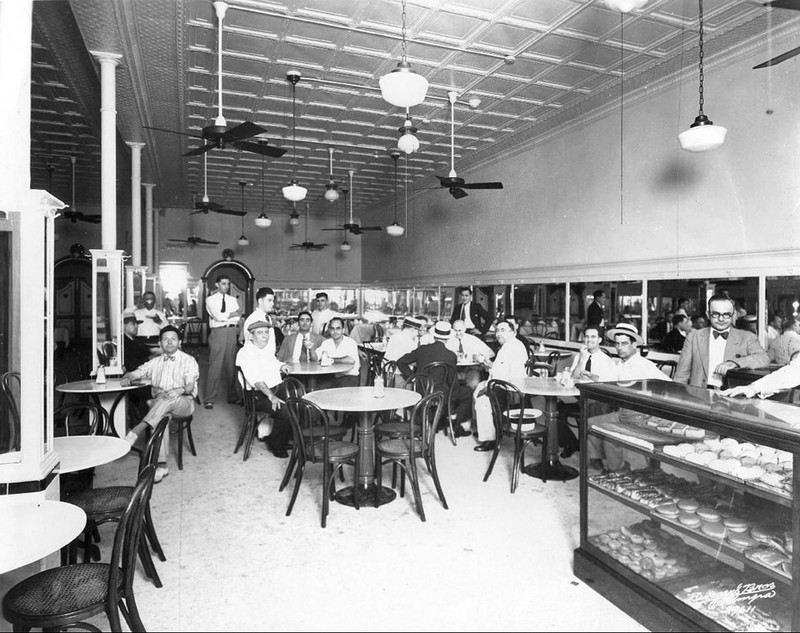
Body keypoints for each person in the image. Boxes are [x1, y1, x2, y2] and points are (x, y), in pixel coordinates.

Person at [121, 326, 199, 483]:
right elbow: (137, 373)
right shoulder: (154, 362)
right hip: (161, 405)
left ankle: (137, 430)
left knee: (165, 399)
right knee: (161, 414)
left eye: (173, 339)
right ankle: (162, 465)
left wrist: (179, 390)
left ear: (180, 342)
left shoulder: (188, 360)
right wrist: (128, 377)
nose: (169, 342)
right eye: (165, 339)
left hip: (184, 402)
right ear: (160, 343)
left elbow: (190, 386)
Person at [590, 322, 670, 472]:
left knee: (610, 431)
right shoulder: (621, 364)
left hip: (640, 416)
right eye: (617, 344)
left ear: (634, 345)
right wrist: (590, 375)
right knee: (591, 422)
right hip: (623, 412)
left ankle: (616, 470)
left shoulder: (644, 365)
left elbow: (670, 386)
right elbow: (607, 379)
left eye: (625, 343)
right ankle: (605, 461)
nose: (620, 347)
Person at [674, 294, 770, 389]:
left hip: (732, 398)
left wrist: (734, 363)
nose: (721, 319)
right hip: (698, 396)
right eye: (715, 314)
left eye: (726, 314)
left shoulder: (747, 337)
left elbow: (764, 358)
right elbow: (681, 375)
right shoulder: (694, 337)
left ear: (733, 315)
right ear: (708, 314)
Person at [396, 321, 472, 437]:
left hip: (422, 392)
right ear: (447, 338)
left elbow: (400, 362)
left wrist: (413, 377)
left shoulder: (422, 350)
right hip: (441, 395)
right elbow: (452, 382)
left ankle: (441, 417)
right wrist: (453, 399)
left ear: (434, 335)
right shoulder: (450, 355)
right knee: (467, 392)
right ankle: (455, 423)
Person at [557, 326, 617, 458]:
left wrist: (591, 375)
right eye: (587, 336)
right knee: (556, 410)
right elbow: (574, 377)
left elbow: (608, 383)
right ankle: (571, 443)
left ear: (600, 339)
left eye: (593, 337)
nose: (589, 340)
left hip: (595, 398)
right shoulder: (580, 355)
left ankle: (594, 455)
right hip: (578, 396)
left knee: (595, 412)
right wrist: (582, 360)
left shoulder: (606, 360)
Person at [236, 321, 292, 458]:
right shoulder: (245, 353)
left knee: (299, 404)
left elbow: (273, 363)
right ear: (251, 336)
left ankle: (283, 437)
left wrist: (281, 366)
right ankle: (277, 444)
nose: (264, 336)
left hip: (275, 388)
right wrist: (271, 396)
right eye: (260, 333)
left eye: (266, 332)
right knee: (285, 410)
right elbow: (256, 381)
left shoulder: (265, 350)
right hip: (257, 396)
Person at [472, 318, 529, 452]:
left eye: (502, 330)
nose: (498, 334)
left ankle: (491, 439)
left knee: (481, 401)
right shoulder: (508, 345)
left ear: (512, 332)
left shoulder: (514, 347)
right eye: (497, 330)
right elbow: (500, 369)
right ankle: (489, 429)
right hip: (501, 384)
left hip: (509, 391)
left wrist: (488, 387)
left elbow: (509, 377)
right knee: (477, 389)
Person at [204, 274, 241, 409]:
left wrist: (231, 316)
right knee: (215, 365)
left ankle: (232, 396)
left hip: (231, 332)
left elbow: (237, 318)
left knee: (231, 365)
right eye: (223, 283)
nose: (226, 286)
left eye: (227, 284)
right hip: (218, 332)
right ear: (217, 284)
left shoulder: (232, 300)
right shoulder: (210, 299)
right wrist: (231, 314)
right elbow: (218, 316)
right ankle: (209, 398)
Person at [446, 319, 495, 390]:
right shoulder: (448, 340)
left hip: (471, 369)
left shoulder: (473, 340)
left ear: (464, 329)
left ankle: (472, 399)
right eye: (455, 330)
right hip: (454, 370)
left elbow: (491, 353)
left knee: (474, 383)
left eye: (460, 330)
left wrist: (480, 357)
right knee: (447, 385)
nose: (457, 333)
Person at [311, 317, 360, 388]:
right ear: (329, 330)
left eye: (338, 328)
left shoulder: (351, 342)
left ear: (343, 330)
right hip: (332, 376)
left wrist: (330, 360)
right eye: (332, 328)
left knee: (341, 392)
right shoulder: (326, 343)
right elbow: (315, 359)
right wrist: (311, 349)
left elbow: (350, 360)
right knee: (319, 388)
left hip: (349, 376)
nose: (335, 331)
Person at [242, 287, 278, 352]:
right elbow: (252, 344)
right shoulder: (254, 318)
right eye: (269, 300)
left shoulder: (268, 317)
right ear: (260, 301)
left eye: (273, 301)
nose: (272, 303)